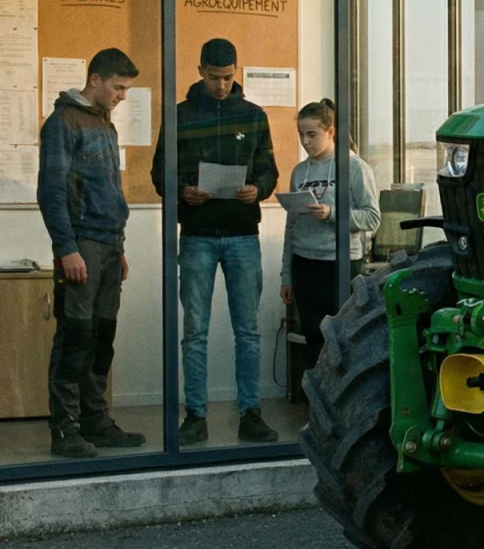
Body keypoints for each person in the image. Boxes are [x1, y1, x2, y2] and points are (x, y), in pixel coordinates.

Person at [152, 37, 280, 445]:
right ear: (200, 71)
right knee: (195, 331)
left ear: (235, 72)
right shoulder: (180, 116)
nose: (221, 85)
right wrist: (184, 192)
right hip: (198, 235)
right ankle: (195, 416)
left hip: (242, 234)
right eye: (213, 77)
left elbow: (270, 170)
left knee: (248, 331)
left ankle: (251, 414)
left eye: (227, 78)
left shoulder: (254, 116)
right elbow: (159, 174)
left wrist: (257, 189)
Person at [37, 48, 145, 458]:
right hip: (81, 245)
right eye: (118, 87)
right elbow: (51, 192)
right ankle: (65, 431)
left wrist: (119, 247)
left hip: (108, 245)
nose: (122, 96)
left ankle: (95, 422)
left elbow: (107, 190)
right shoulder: (63, 122)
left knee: (101, 338)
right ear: (95, 79)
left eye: (126, 90)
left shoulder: (105, 123)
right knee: (75, 336)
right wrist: (67, 249)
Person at [278, 99, 379, 365]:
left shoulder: (354, 167)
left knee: (344, 338)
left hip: (340, 264)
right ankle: (317, 389)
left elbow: (372, 217)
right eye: (301, 134)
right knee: (313, 339)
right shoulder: (300, 172)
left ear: (330, 132)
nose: (305, 142)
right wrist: (286, 275)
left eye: (312, 134)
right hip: (304, 263)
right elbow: (291, 227)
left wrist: (332, 214)